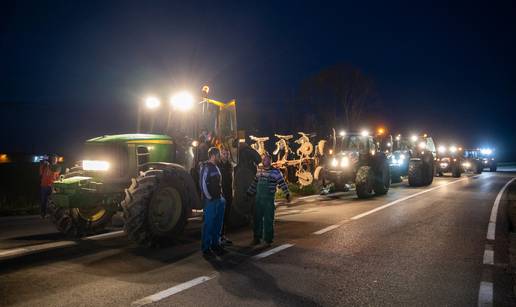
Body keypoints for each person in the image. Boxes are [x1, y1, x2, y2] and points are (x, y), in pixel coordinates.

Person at [247, 153, 290, 246]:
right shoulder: (259, 171)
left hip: (268, 200)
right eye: (263, 159)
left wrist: (287, 194)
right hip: (258, 200)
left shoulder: (276, 172)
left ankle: (268, 240)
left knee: (268, 220)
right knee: (257, 219)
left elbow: (282, 183)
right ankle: (256, 238)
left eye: (265, 159)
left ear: (270, 161)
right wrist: (249, 192)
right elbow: (254, 183)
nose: (263, 161)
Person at [200, 147, 226, 257]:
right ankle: (206, 248)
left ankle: (216, 244)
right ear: (213, 155)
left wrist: (221, 197)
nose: (220, 156)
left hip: (219, 200)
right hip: (211, 201)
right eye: (219, 155)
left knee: (217, 224)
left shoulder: (216, 167)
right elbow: (202, 184)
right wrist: (209, 197)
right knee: (209, 224)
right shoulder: (206, 167)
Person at [218, 147, 233, 246]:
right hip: (220, 194)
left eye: (227, 154)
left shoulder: (229, 165)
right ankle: (217, 237)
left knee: (226, 216)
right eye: (223, 154)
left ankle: (222, 236)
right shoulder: (217, 165)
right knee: (219, 216)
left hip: (228, 194)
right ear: (220, 154)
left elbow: (232, 179)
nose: (225, 155)